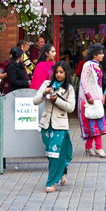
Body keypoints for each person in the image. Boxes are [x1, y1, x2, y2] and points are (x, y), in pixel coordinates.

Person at [33, 60, 75, 193]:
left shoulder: (69, 88)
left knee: (54, 153)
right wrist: (44, 93)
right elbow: (35, 101)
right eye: (56, 72)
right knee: (51, 154)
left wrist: (56, 99)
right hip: (46, 124)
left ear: (66, 73)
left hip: (60, 125)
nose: (58, 75)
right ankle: (62, 171)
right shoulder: (47, 84)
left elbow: (70, 108)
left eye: (61, 72)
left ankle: (50, 183)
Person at [78, 44, 106, 158]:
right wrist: (88, 96)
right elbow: (84, 81)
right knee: (96, 124)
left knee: (94, 123)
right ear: (94, 55)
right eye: (100, 53)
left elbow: (99, 83)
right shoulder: (88, 65)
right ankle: (99, 148)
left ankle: (88, 146)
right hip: (90, 99)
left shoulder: (97, 65)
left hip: (97, 98)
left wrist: (101, 96)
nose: (103, 55)